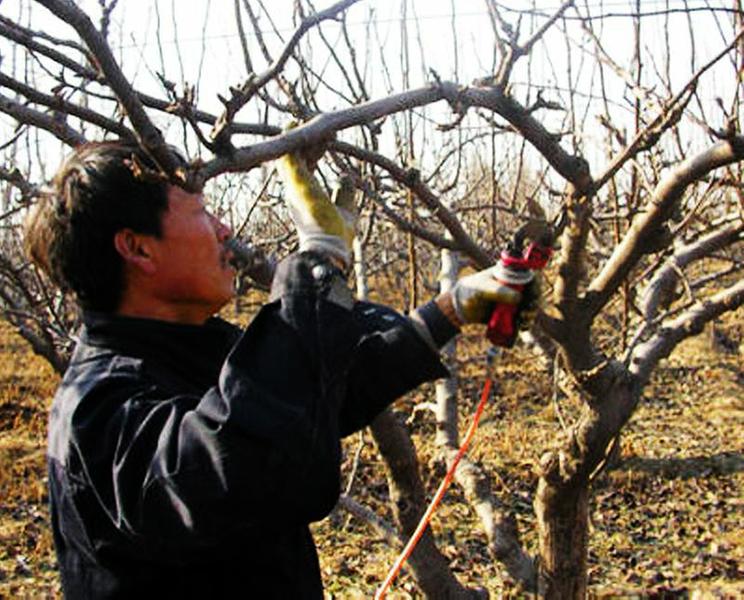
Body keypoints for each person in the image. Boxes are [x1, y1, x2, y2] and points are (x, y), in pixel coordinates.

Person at [24, 140, 533, 599]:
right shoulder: (98, 408)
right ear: (138, 247)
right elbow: (233, 459)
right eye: (201, 214)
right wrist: (319, 260)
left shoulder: (190, 350)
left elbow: (309, 396)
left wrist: (451, 309)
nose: (224, 229)